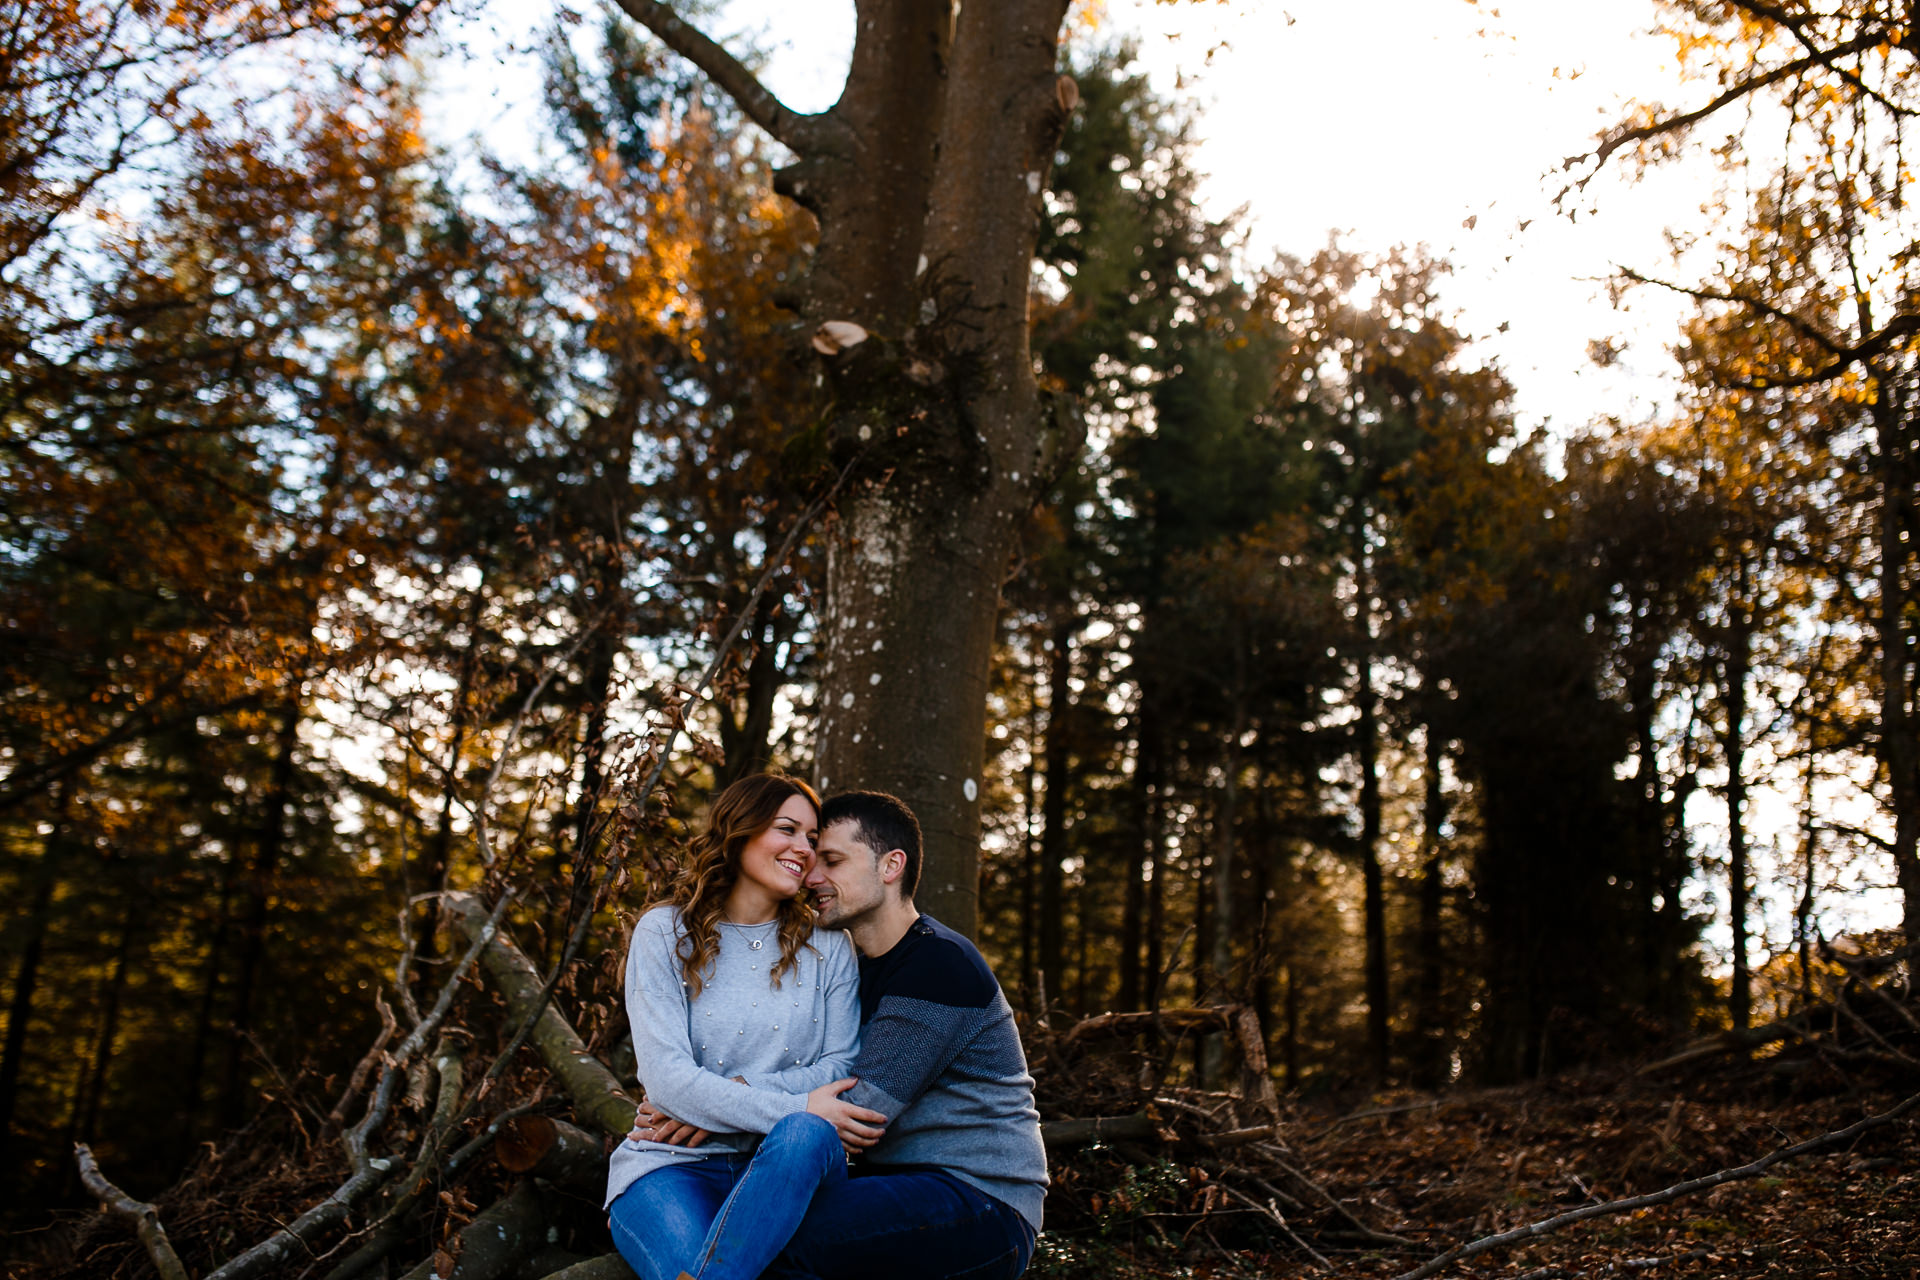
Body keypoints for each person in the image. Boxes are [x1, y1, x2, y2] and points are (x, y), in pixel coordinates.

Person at [639, 788, 1049, 1280]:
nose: (812, 876)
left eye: (830, 859)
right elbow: (827, 1082)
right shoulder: (863, 964)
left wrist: (713, 1102)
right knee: (755, 1230)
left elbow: (858, 1107)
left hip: (979, 1198)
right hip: (895, 1187)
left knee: (765, 1236)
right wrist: (711, 1098)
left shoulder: (940, 966)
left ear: (890, 866)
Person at [604, 773, 888, 1280]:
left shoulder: (830, 947)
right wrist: (796, 1102)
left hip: (785, 1170)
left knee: (807, 1131)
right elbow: (666, 1079)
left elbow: (840, 1065)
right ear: (740, 831)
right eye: (787, 829)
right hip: (670, 1165)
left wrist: (724, 1100)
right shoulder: (665, 933)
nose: (804, 849)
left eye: (813, 839)